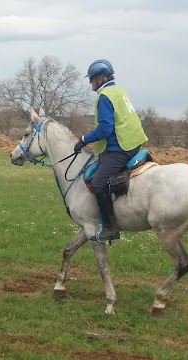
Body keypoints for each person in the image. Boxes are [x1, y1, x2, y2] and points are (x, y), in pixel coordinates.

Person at [74, 59, 148, 242]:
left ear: (100, 78)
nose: (90, 82)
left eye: (91, 78)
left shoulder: (104, 95)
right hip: (133, 143)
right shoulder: (119, 91)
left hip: (120, 148)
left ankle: (110, 227)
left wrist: (84, 140)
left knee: (97, 184)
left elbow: (105, 129)